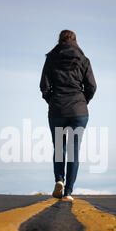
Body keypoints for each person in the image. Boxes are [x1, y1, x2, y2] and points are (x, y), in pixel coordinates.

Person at [39, 30, 97, 201]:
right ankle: (69, 192)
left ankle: (59, 180)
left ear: (59, 40)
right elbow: (92, 86)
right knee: (73, 151)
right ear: (75, 41)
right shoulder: (84, 60)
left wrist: (52, 100)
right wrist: (82, 102)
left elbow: (44, 86)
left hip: (57, 110)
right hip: (78, 111)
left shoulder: (51, 58)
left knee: (59, 147)